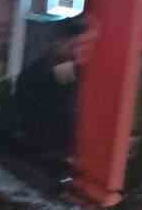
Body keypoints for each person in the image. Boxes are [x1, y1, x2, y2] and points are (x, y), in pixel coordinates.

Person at [16, 18, 92, 161]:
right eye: (76, 45)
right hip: (44, 154)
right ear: (60, 42)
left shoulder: (56, 69)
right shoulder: (51, 72)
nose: (79, 52)